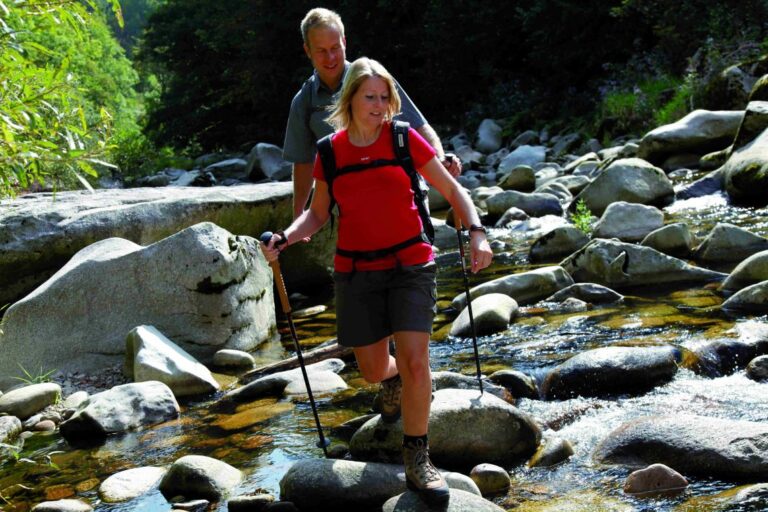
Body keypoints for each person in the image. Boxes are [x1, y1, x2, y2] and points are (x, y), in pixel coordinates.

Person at [263, 57, 492, 507]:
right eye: (371, 96)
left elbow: (453, 190)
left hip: (411, 264)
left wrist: (478, 233)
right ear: (349, 99)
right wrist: (286, 238)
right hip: (356, 271)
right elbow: (317, 213)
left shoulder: (404, 139)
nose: (381, 104)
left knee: (415, 361)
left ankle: (417, 458)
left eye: (386, 96)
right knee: (371, 368)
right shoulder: (330, 151)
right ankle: (392, 383)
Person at [283, 7, 461, 220]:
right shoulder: (304, 101)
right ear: (308, 50)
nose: (330, 57)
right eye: (321, 50)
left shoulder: (374, 79)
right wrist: (297, 216)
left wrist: (441, 161)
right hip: (351, 207)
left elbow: (418, 126)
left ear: (344, 43)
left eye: (335, 47)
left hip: (402, 198)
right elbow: (303, 163)